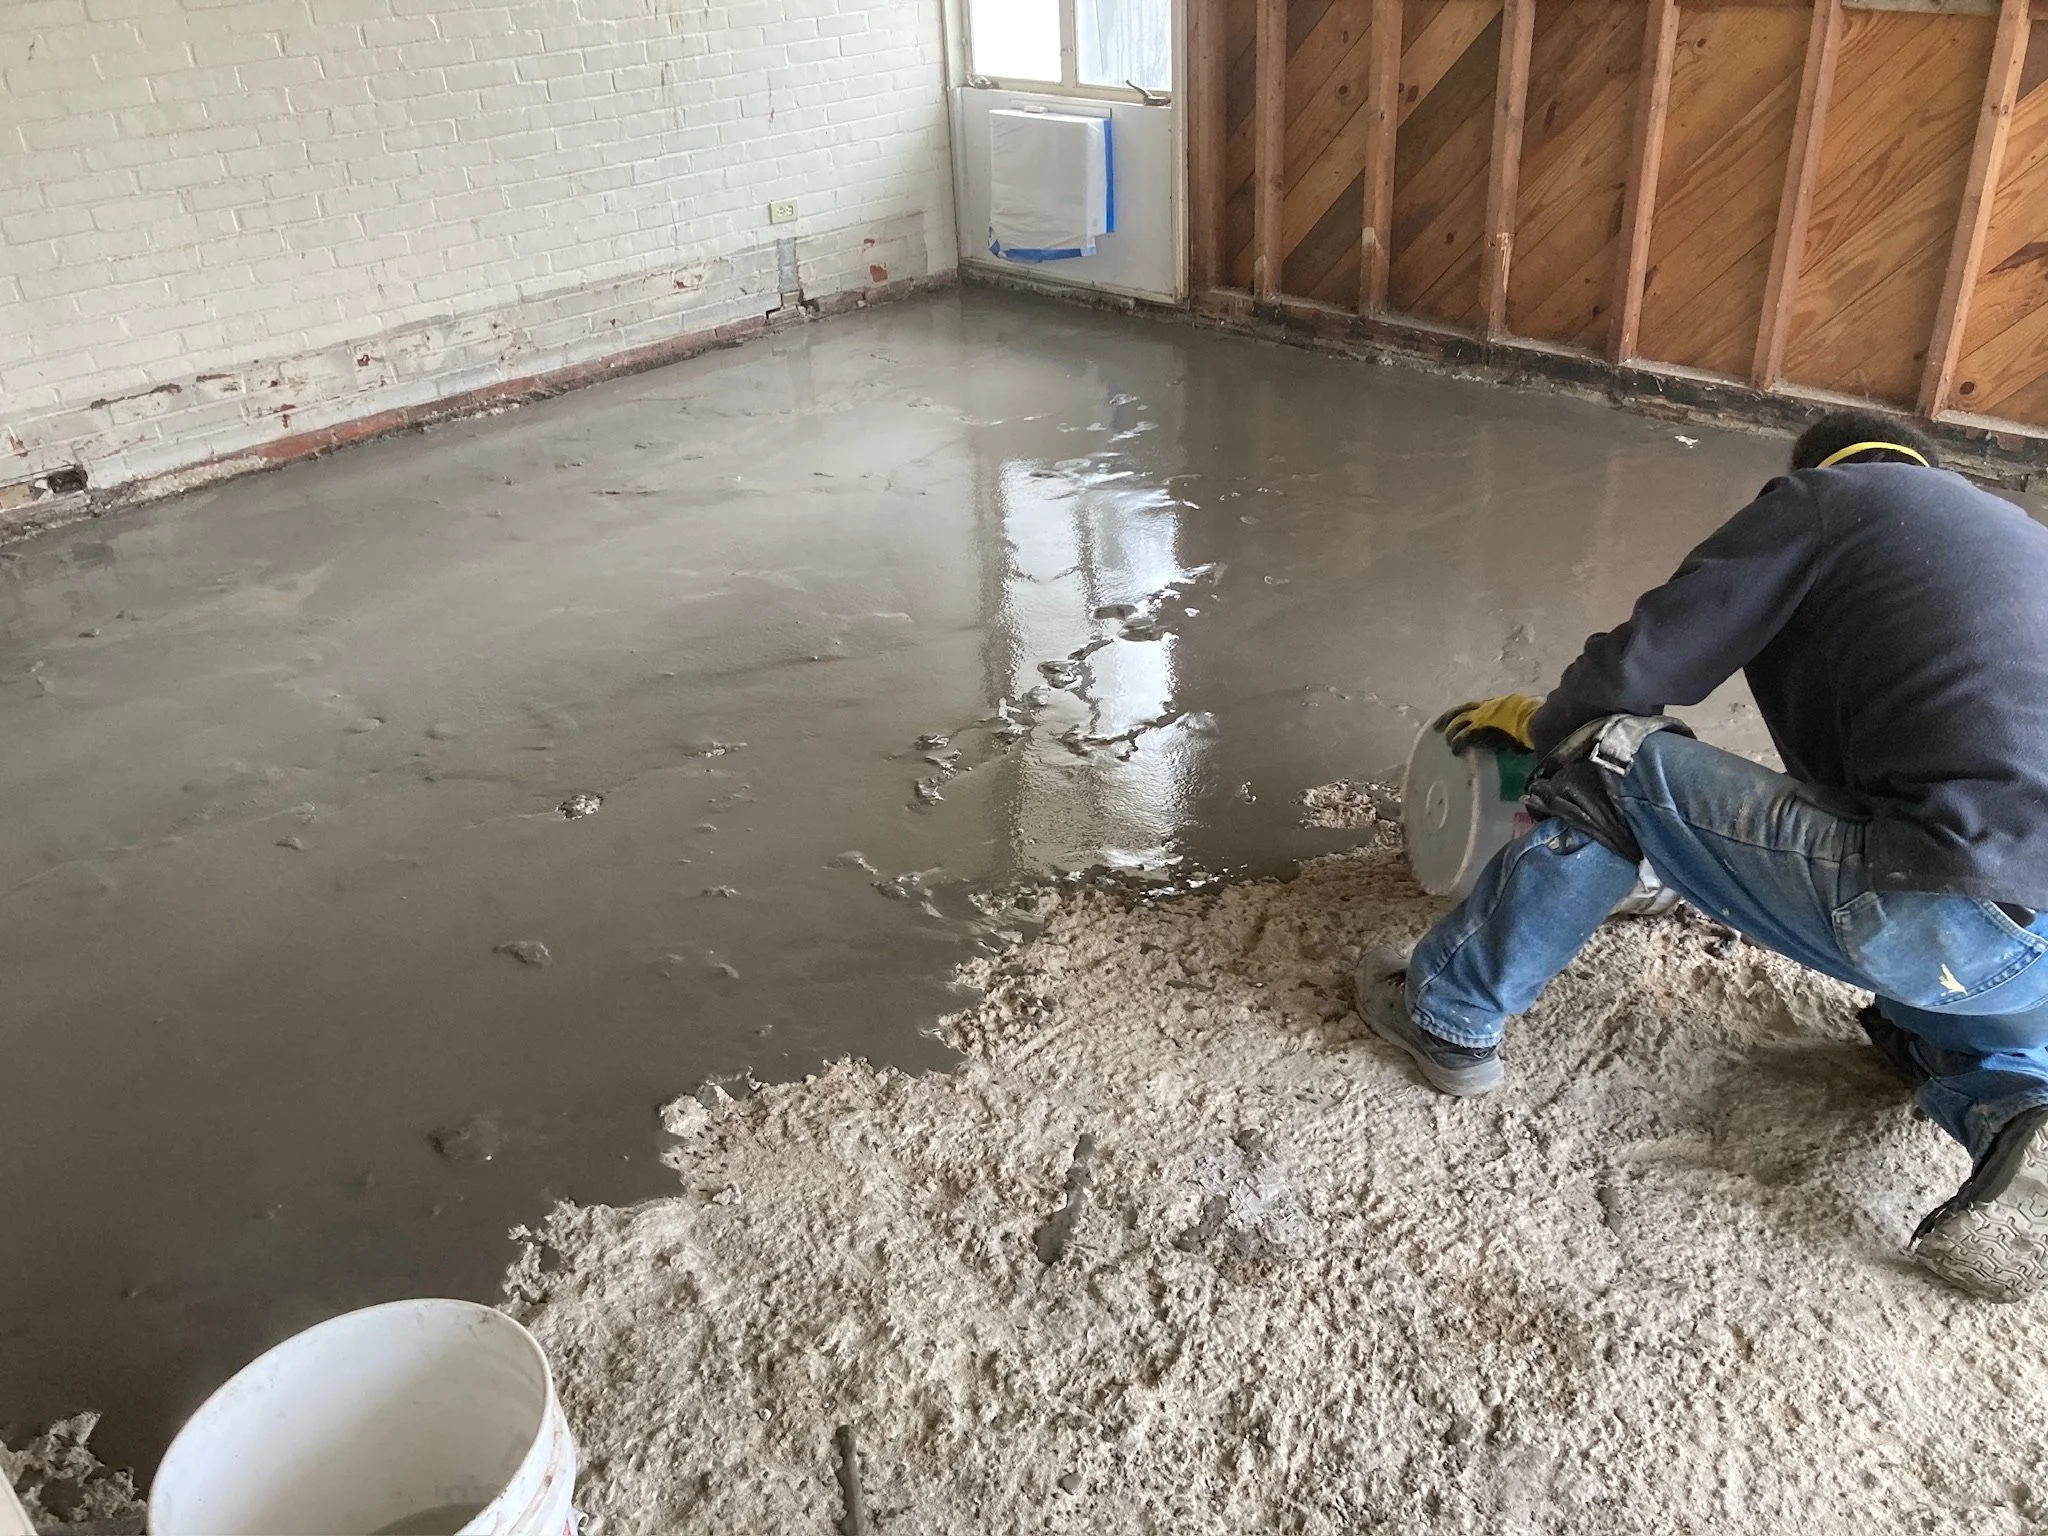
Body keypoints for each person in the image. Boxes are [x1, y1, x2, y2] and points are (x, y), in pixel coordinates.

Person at [1354, 409, 2048, 1302]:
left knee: (1611, 755)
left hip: (1945, 912)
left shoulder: (1827, 501)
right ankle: (2008, 1102)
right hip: (2029, 961)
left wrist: (1545, 725)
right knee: (1973, 928)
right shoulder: (2016, 541)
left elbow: (1638, 672)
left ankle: (1446, 1012)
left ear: (1821, 469)